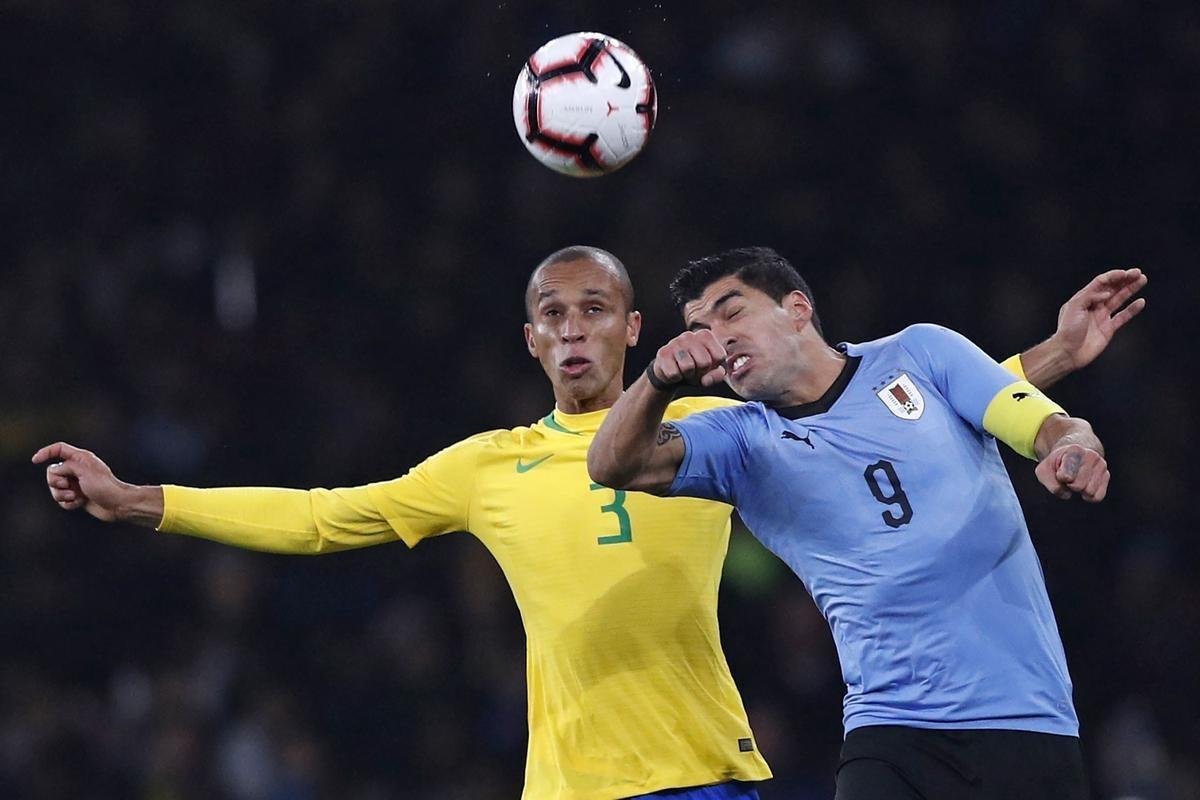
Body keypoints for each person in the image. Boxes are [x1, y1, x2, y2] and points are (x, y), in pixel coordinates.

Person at [35, 246, 1144, 800]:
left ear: (633, 329)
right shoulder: (489, 467)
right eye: (551, 318)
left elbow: (895, 415)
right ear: (530, 343)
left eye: (593, 312)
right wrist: (144, 500)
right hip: (568, 786)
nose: (573, 333)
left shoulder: (728, 424)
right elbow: (328, 517)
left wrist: (1040, 373)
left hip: (713, 769)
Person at [587, 247, 1147, 800]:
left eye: (733, 312)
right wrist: (657, 379)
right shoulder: (737, 442)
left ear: (798, 309)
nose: (717, 337)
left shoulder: (920, 354)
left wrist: (1072, 451)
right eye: (699, 328)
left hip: (1023, 719)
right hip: (888, 728)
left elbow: (1046, 422)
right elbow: (611, 463)